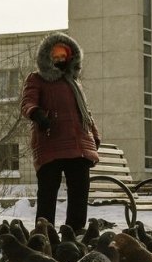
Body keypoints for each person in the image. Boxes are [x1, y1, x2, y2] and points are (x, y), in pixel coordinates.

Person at [20, 32, 101, 232]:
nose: (58, 60)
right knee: (47, 191)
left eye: (62, 56)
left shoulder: (74, 83)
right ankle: (44, 232)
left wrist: (94, 135)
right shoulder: (37, 79)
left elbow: (85, 113)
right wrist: (37, 113)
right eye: (54, 57)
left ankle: (74, 232)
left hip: (78, 146)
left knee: (79, 190)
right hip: (51, 143)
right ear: (46, 58)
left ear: (70, 57)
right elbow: (27, 102)